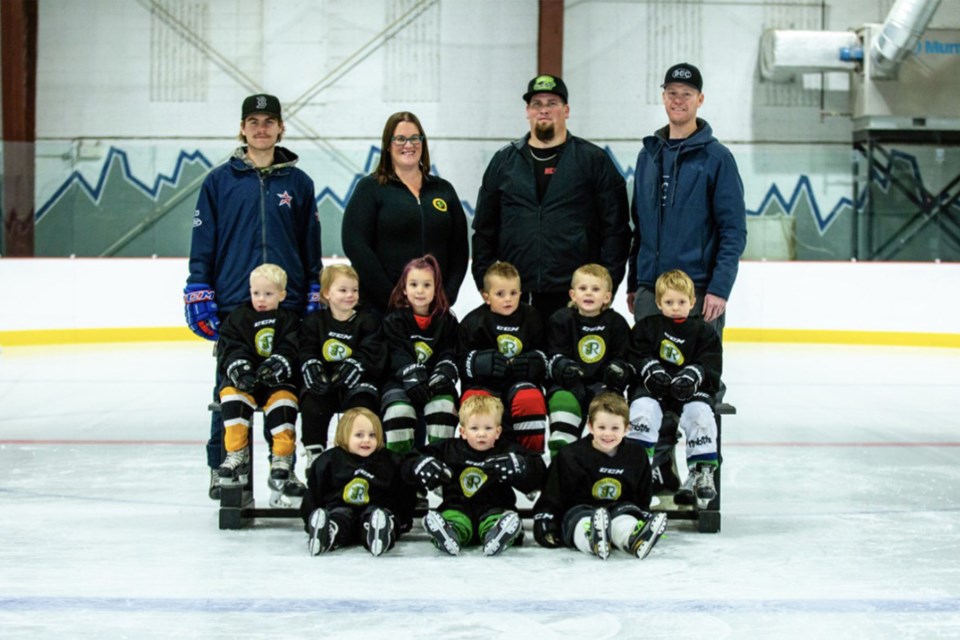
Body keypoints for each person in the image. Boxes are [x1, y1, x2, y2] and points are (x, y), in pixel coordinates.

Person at [184, 93, 322, 500]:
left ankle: (284, 467)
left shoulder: (298, 183)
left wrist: (312, 287)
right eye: (253, 121)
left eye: (269, 121)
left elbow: (309, 242)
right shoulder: (219, 181)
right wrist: (198, 288)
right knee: (229, 387)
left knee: (284, 386)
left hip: (287, 303)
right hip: (234, 301)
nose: (261, 128)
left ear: (281, 128)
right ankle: (222, 466)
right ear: (242, 129)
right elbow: (203, 240)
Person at [471, 74, 630, 322]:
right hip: (516, 298)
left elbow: (616, 231)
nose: (544, 110)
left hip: (575, 300)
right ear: (527, 111)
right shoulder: (504, 162)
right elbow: (483, 230)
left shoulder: (593, 161)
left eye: (552, 103)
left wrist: (605, 287)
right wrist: (487, 282)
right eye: (537, 104)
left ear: (566, 110)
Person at [626, 62, 747, 340]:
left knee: (699, 378)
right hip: (651, 292)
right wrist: (635, 283)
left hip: (697, 294)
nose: (678, 100)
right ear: (663, 97)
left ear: (700, 99)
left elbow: (734, 232)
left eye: (687, 93)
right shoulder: (648, 156)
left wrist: (720, 289)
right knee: (647, 376)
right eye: (671, 92)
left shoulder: (717, 159)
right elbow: (640, 229)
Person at [342, 111, 469, 315]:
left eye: (414, 138)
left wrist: (448, 295)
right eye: (400, 138)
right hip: (382, 310)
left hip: (433, 310)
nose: (408, 145)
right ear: (388, 144)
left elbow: (459, 249)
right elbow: (355, 245)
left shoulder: (443, 190)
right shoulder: (370, 188)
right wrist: (391, 297)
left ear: (423, 143)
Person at [532, 392, 667, 561]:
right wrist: (546, 522)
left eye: (615, 428)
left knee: (624, 519)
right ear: (590, 426)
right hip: (580, 509)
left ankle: (632, 539)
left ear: (627, 428)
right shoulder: (570, 455)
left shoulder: (637, 455)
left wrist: (643, 513)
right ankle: (591, 539)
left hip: (619, 507)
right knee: (581, 521)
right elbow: (552, 494)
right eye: (601, 427)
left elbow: (642, 494)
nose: (608, 434)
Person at [627, 269, 721, 509]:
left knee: (700, 414)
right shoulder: (648, 327)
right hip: (654, 390)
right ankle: (639, 473)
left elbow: (711, 366)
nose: (676, 307)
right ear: (658, 303)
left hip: (689, 393)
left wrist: (692, 376)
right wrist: (651, 370)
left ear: (692, 302)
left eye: (681, 302)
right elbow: (636, 355)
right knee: (642, 412)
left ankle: (701, 472)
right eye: (669, 302)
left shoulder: (704, 332)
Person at [215, 264, 300, 506]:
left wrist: (278, 363)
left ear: (282, 295)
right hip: (247, 382)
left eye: (268, 294)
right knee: (231, 396)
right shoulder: (238, 317)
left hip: (277, 383)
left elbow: (292, 347)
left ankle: (282, 457)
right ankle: (236, 454)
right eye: (256, 293)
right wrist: (240, 368)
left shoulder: (288, 320)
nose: (261, 299)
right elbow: (230, 347)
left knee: (284, 403)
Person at [419, 394, 546, 556]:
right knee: (454, 518)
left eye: (488, 428)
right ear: (463, 432)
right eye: (474, 428)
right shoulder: (449, 449)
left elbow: (537, 468)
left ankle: (499, 534)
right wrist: (423, 464)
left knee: (498, 518)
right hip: (458, 507)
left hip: (495, 507)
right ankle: (448, 533)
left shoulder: (507, 450)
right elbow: (415, 457)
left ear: (498, 431)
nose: (481, 434)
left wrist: (519, 465)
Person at [300, 408, 420, 557]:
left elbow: (403, 493)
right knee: (338, 516)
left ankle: (380, 533)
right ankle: (329, 532)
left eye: (372, 435)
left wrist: (402, 520)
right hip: (340, 509)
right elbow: (313, 493)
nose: (366, 440)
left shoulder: (390, 460)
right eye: (359, 435)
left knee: (380, 515)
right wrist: (310, 519)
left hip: (377, 510)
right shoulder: (328, 460)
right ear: (344, 435)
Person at [299, 264, 386, 467]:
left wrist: (358, 364)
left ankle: (360, 461)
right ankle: (315, 456)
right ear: (327, 293)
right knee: (312, 403)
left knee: (364, 407)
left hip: (357, 385)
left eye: (354, 290)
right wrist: (312, 366)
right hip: (326, 383)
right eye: (343, 290)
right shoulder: (314, 322)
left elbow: (373, 352)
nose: (350, 295)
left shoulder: (368, 321)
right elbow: (307, 349)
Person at [457, 261, 549, 453]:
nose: (508, 299)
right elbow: (460, 360)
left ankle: (530, 459)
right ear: (486, 297)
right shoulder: (473, 321)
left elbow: (546, 354)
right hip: (484, 385)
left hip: (519, 384)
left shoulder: (532, 317)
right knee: (473, 402)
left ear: (521, 292)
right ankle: (475, 457)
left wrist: (535, 363)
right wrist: (477, 363)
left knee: (530, 399)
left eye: (513, 293)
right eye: (500, 294)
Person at [545, 264, 632, 456]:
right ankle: (562, 455)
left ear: (607, 297)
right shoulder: (561, 319)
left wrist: (617, 370)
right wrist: (562, 367)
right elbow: (553, 355)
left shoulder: (616, 323)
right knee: (562, 401)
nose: (589, 294)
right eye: (583, 289)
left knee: (608, 408)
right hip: (567, 385)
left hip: (602, 386)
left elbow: (624, 358)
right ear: (572, 294)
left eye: (595, 289)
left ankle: (604, 458)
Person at [381, 255, 461, 453]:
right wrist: (410, 374)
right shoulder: (394, 320)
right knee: (399, 412)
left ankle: (439, 463)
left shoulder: (446, 321)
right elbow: (395, 352)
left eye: (427, 285)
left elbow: (449, 351)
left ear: (436, 289)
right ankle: (400, 467)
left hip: (434, 384)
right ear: (404, 289)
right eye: (414, 284)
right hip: (400, 384)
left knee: (443, 407)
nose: (420, 290)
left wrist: (444, 372)